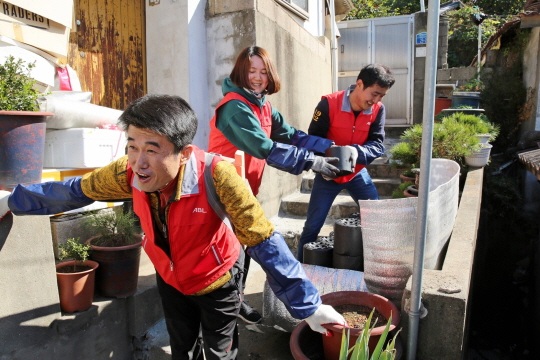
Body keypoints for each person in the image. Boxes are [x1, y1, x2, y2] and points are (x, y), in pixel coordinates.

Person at [0, 94, 346, 360]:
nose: (139, 161)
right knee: (182, 349)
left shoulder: (217, 174)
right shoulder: (126, 172)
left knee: (220, 350)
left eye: (153, 149)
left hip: (218, 281)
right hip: (172, 281)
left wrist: (309, 306)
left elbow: (262, 238)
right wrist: (10, 200)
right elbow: (74, 191)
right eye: (133, 146)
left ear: (183, 153)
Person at [208, 46, 345, 323]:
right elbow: (264, 148)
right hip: (219, 191)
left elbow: (290, 135)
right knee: (227, 251)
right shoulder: (234, 106)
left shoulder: (263, 104)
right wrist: (312, 162)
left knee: (241, 247)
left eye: (263, 72)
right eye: (251, 71)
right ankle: (222, 309)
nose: (257, 78)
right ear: (240, 72)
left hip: (245, 188)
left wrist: (328, 147)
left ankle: (236, 302)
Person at [296, 64, 396, 262]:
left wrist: (356, 152)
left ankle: (378, 267)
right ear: (359, 84)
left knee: (377, 219)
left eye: (381, 96)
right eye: (374, 94)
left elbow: (377, 144)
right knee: (312, 226)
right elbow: (313, 139)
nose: (376, 100)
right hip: (328, 174)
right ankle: (300, 273)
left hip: (357, 173)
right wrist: (325, 162)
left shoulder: (378, 110)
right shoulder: (328, 104)